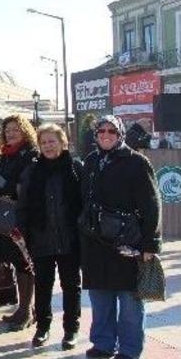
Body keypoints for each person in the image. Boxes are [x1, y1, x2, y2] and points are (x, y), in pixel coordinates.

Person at [80, 115, 161, 359]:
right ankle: (103, 344)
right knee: (101, 299)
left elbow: (152, 204)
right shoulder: (92, 161)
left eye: (112, 131)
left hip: (128, 243)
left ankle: (129, 349)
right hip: (97, 244)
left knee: (130, 304)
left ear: (120, 134)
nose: (106, 134)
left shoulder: (137, 162)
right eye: (101, 130)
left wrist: (150, 244)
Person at [19, 124, 83, 350]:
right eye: (43, 142)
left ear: (62, 142)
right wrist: (25, 233)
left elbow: (84, 203)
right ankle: (43, 327)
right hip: (41, 237)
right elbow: (24, 205)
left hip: (69, 238)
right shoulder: (32, 171)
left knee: (71, 286)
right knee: (43, 285)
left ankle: (71, 329)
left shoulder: (75, 168)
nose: (47, 146)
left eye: (51, 141)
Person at [0, 115, 39, 330]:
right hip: (6, 216)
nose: (10, 133)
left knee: (24, 262)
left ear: (25, 130)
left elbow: (20, 185)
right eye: (7, 130)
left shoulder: (30, 154)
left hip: (23, 216)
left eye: (15, 129)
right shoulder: (6, 155)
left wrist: (6, 185)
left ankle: (27, 310)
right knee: (16, 261)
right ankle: (22, 307)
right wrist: (7, 185)